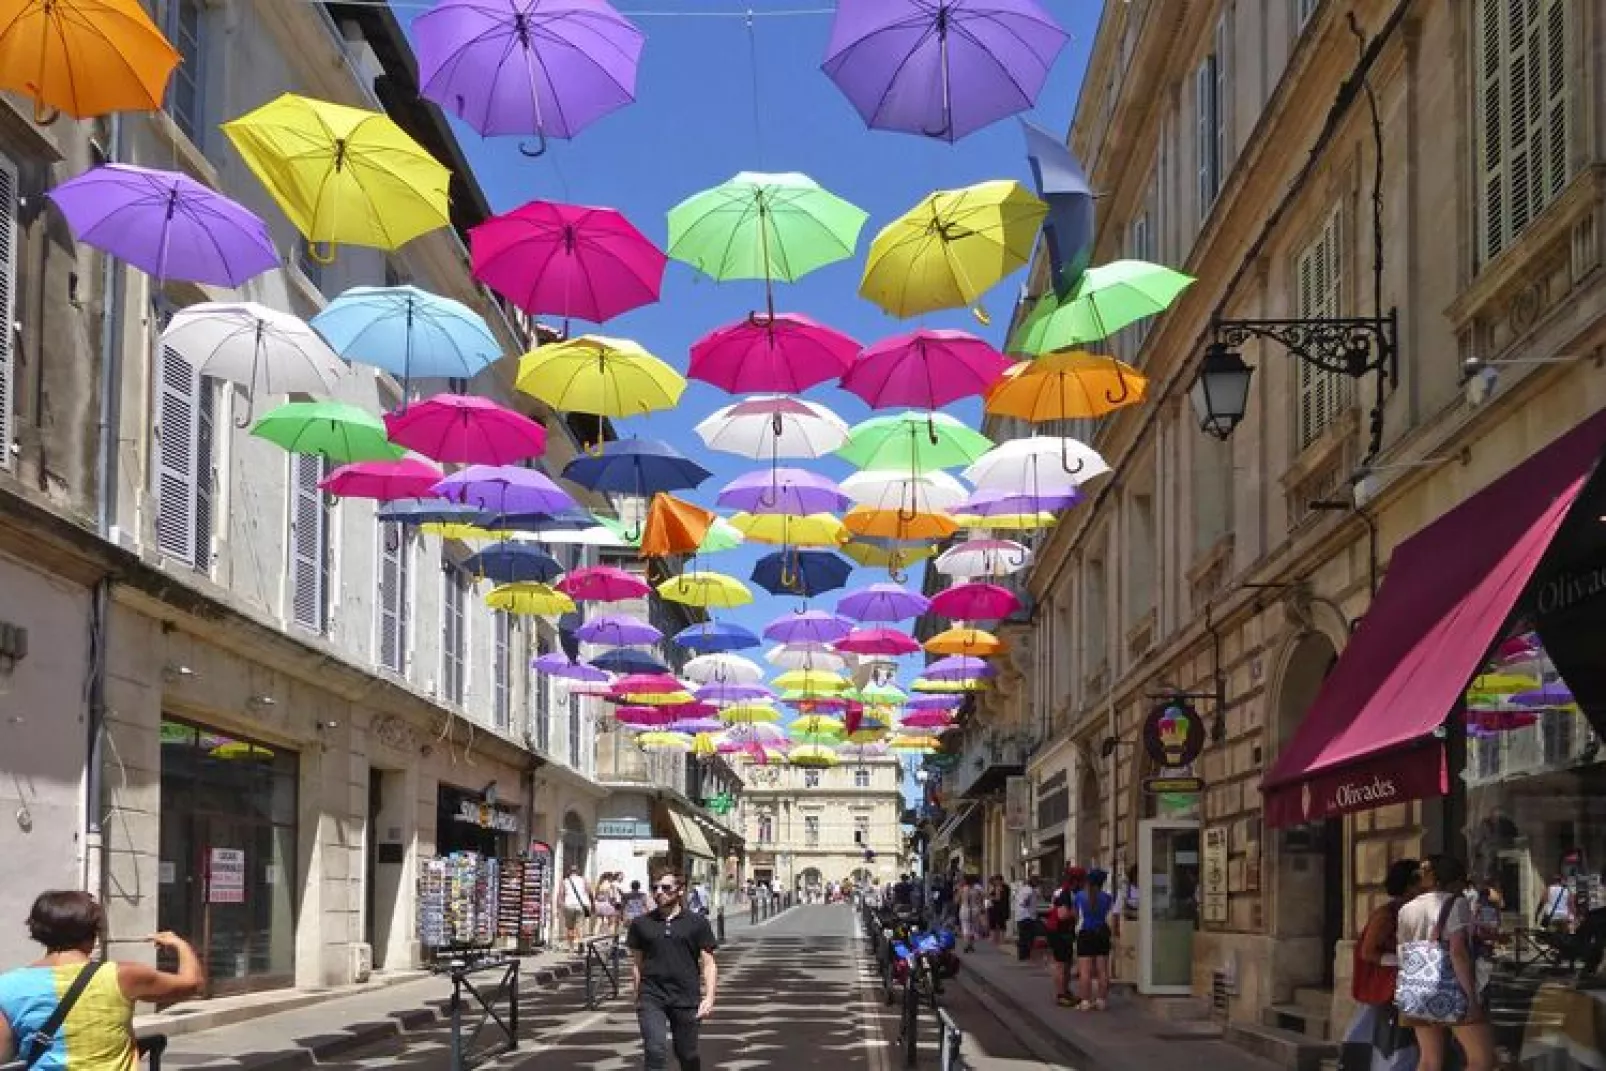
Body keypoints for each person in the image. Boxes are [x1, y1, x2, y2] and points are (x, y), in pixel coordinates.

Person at [0, 890, 206, 1071]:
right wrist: (179, 944)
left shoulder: (7, 986)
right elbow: (192, 983)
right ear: (94, 933)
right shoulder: (123, 976)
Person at [1397, 855, 1494, 1071]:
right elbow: (1457, 952)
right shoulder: (1455, 903)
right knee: (1482, 1060)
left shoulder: (1407, 908)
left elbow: (1403, 952)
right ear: (1455, 879)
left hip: (1417, 990)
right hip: (1451, 989)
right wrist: (1471, 998)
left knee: (1429, 1061)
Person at [628, 872, 717, 1071]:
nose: (659, 892)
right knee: (654, 1050)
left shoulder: (697, 923)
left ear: (680, 890)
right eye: (655, 888)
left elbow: (709, 963)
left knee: (687, 1053)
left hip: (686, 996)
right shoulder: (641, 924)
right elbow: (637, 963)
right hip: (652, 995)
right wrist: (637, 995)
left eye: (666, 888)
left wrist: (709, 997)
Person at [1338, 859, 1420, 1071]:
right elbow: (1368, 952)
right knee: (1391, 1041)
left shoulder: (1413, 911)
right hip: (1387, 990)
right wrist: (1401, 960)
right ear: (1410, 885)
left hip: (1403, 987)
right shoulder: (1387, 915)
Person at [1074, 869, 1118, 1011]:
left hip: (1085, 933)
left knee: (1085, 971)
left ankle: (1085, 1001)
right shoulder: (1107, 898)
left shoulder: (1079, 896)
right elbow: (1111, 917)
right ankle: (1101, 1000)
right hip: (1102, 933)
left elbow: (1076, 917)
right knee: (1102, 970)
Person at [1047, 869, 1082, 1007]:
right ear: (1075, 881)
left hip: (1064, 932)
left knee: (1066, 964)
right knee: (1061, 965)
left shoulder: (1070, 893)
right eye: (1081, 880)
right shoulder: (1065, 894)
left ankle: (1066, 991)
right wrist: (1076, 913)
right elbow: (1062, 915)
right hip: (1058, 932)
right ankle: (1061, 994)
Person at [560, 865, 594, 950]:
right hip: (581, 905)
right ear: (578, 871)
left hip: (569, 905)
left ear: (569, 872)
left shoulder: (565, 881)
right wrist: (592, 903)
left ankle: (571, 947)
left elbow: (561, 894)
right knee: (580, 926)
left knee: (570, 927)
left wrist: (561, 906)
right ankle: (580, 944)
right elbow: (590, 892)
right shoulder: (584, 880)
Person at [1014, 872, 1039, 962]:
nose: (1037, 884)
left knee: (1023, 937)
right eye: (1037, 882)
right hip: (1027, 916)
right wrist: (1027, 904)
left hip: (1021, 916)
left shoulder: (1023, 889)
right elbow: (1025, 901)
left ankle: (1022, 955)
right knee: (1028, 937)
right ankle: (1026, 956)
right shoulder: (1030, 890)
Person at [595, 872, 620, 938]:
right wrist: (614, 903)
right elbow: (612, 896)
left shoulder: (599, 885)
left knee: (599, 920)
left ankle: (596, 935)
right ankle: (610, 935)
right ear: (609, 877)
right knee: (611, 921)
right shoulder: (610, 885)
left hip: (598, 904)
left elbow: (596, 896)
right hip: (607, 904)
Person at [987, 876, 1009, 948]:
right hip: (995, 908)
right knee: (994, 922)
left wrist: (990, 897)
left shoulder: (1002, 887)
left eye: (996, 880)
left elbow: (998, 898)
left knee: (1001, 923)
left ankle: (1001, 939)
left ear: (1000, 881)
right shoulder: (997, 887)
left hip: (1000, 908)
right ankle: (995, 938)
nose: (995, 882)